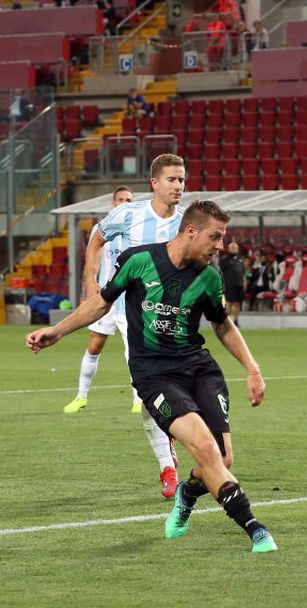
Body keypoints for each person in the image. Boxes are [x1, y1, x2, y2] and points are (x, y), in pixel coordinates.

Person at [26, 200, 278, 554]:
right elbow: (101, 303)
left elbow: (222, 323)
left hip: (199, 368)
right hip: (155, 375)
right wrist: (58, 330)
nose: (220, 246)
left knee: (221, 459)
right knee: (205, 449)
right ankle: (255, 528)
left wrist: (253, 368)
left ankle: (187, 494)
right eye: (215, 237)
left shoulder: (208, 276)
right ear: (191, 231)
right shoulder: (138, 260)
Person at [70, 155, 188, 498]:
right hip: (127, 315)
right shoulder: (128, 214)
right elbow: (96, 237)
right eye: (172, 180)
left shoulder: (187, 223)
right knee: (151, 394)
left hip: (170, 322)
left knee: (178, 396)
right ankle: (167, 465)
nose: (178, 186)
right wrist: (91, 282)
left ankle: (179, 446)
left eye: (182, 180)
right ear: (154, 183)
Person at [63, 186, 135, 413]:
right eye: (121, 199)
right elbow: (93, 261)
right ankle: (81, 396)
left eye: (129, 199)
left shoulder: (138, 228)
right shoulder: (100, 229)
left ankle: (139, 399)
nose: (125, 202)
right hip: (105, 298)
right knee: (94, 345)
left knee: (133, 350)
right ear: (113, 204)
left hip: (129, 299)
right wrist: (89, 287)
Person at [219, 240, 246, 325]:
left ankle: (236, 320)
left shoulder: (241, 259)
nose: (234, 249)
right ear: (229, 249)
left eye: (235, 248)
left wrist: (244, 281)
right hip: (229, 284)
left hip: (239, 284)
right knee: (229, 303)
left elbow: (243, 272)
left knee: (237, 303)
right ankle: (227, 321)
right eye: (232, 248)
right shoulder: (224, 259)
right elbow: (221, 272)